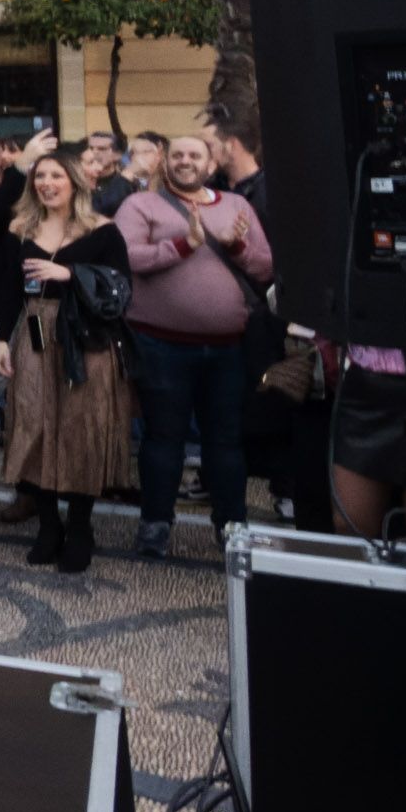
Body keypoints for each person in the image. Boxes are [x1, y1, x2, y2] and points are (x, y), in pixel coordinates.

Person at [0, 141, 134, 571]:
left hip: (85, 341)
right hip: (32, 335)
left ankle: (80, 526)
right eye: (40, 177)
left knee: (80, 429)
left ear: (75, 182)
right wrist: (3, 341)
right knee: (34, 425)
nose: (46, 184)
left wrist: (69, 274)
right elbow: (6, 290)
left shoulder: (102, 229)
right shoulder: (20, 230)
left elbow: (121, 288)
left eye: (56, 176)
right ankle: (48, 525)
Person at [117, 132, 275, 558]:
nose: (186, 161)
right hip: (160, 346)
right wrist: (183, 245)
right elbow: (126, 256)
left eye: (195, 155)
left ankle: (231, 525)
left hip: (228, 349)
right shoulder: (141, 205)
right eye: (179, 154)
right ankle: (155, 524)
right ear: (166, 161)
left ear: (210, 164)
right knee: (162, 440)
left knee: (225, 443)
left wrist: (237, 246)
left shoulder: (236, 206)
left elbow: (265, 267)